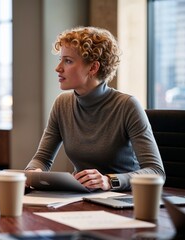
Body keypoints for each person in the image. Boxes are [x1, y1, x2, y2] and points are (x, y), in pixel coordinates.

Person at [25, 26, 165, 191]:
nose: (58, 68)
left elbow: (156, 172)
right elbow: (42, 158)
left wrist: (108, 181)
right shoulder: (62, 103)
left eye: (68, 61)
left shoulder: (127, 106)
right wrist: (32, 173)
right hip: (79, 196)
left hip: (123, 201)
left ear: (93, 68)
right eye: (60, 60)